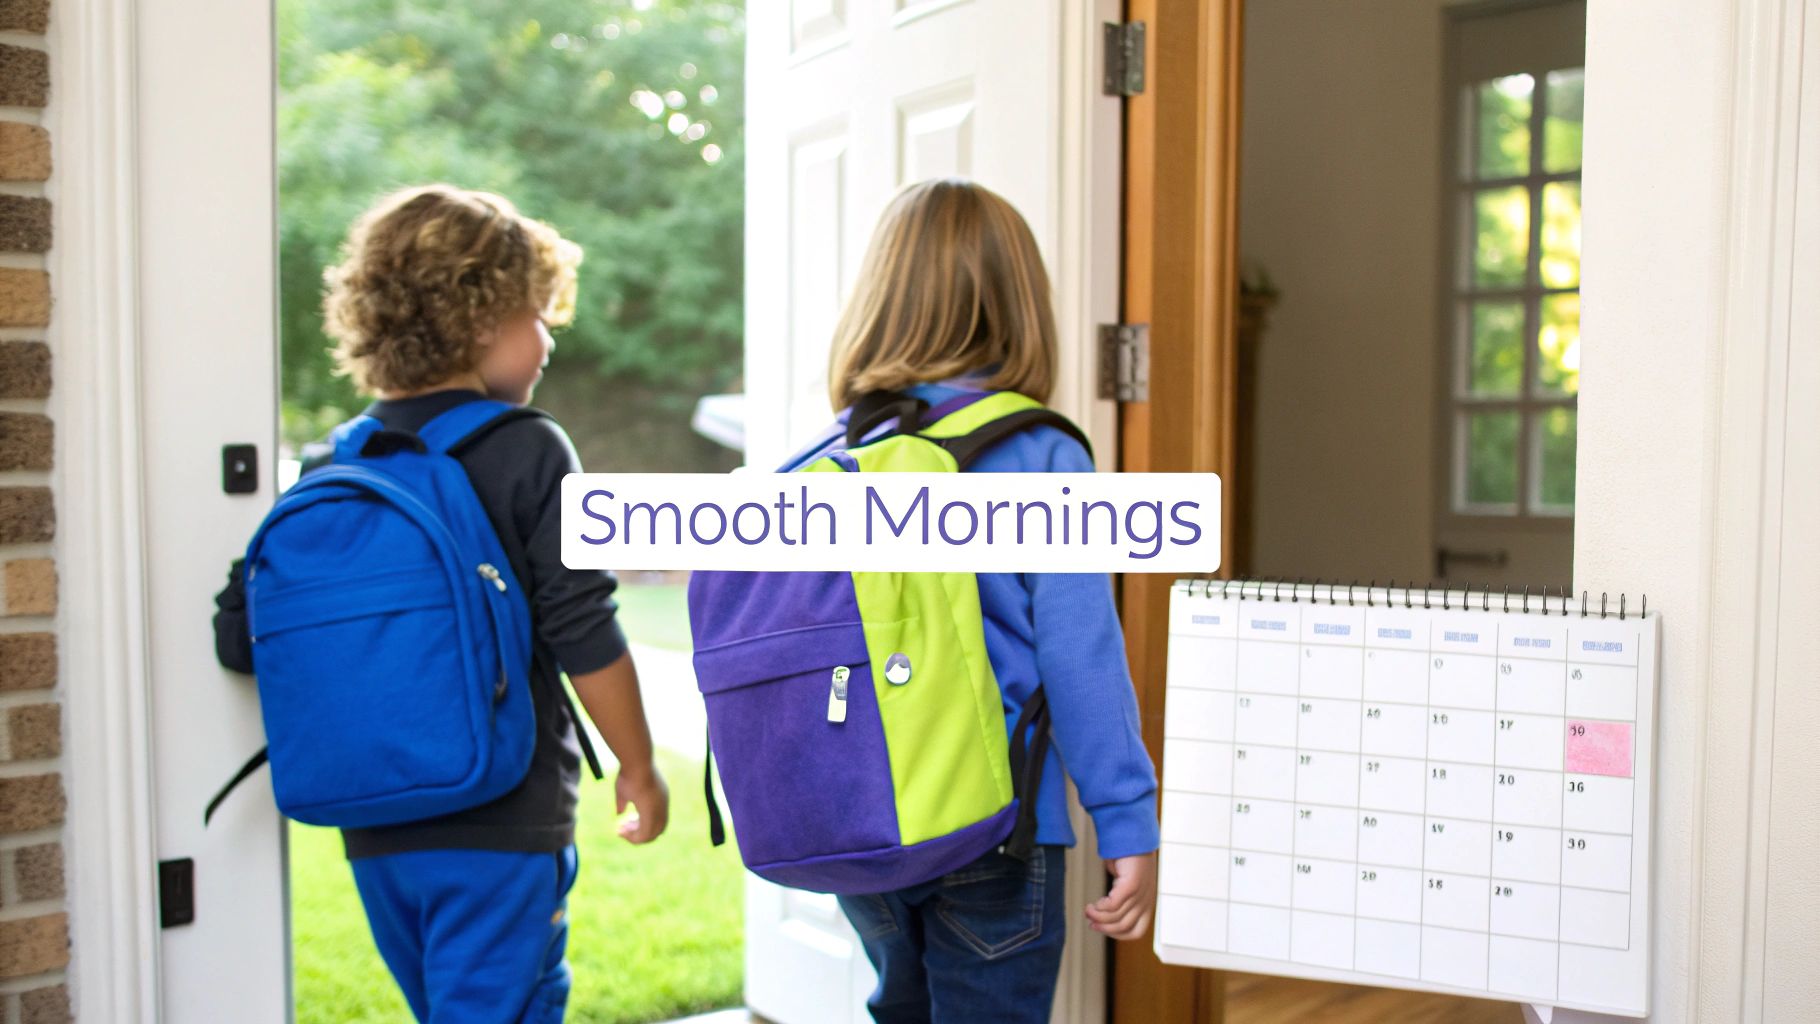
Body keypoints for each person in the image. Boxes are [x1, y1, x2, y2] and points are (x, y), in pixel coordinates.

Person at [214, 185, 668, 1024]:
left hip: (374, 828)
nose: (546, 342)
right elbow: (583, 626)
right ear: (480, 316)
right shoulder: (529, 448)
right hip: (503, 816)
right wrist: (637, 765)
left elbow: (241, 638)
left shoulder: (334, 466)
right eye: (538, 316)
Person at [825, 179, 1160, 1023]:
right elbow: (1080, 656)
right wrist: (1125, 820)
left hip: (861, 818)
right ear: (1019, 305)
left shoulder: (831, 457)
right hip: (996, 828)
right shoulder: (1040, 454)